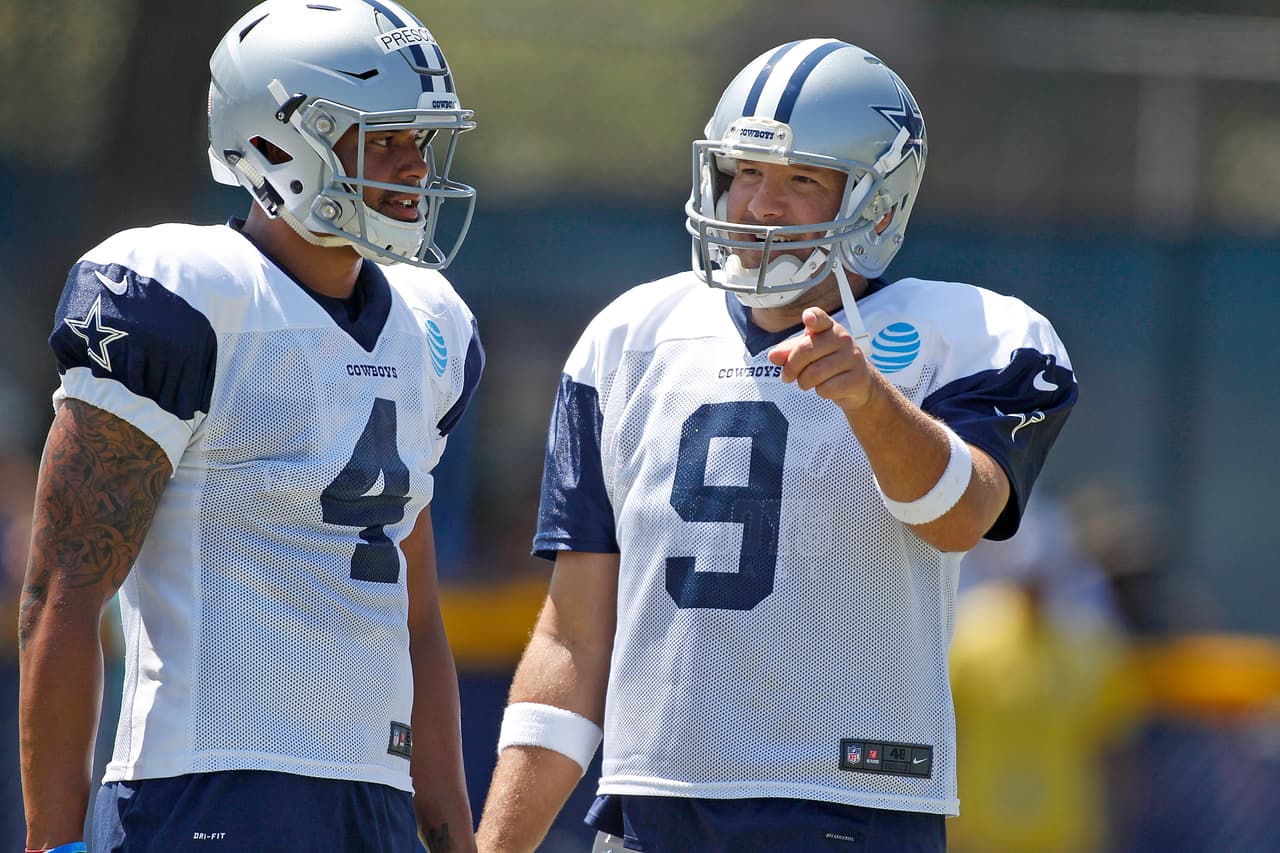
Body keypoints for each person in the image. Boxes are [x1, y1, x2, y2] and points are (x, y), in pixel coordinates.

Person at [476, 38, 1077, 853]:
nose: (759, 206)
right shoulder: (630, 338)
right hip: (651, 809)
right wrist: (499, 842)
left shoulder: (971, 334)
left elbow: (960, 515)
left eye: (801, 180)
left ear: (878, 202)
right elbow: (573, 633)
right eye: (746, 173)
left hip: (846, 801)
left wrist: (869, 400)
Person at [18, 1, 484, 851]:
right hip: (202, 792)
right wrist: (55, 843)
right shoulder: (183, 296)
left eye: (419, 138)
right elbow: (63, 591)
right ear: (276, 142)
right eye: (384, 139)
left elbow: (415, 618)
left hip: (370, 801)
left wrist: (452, 828)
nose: (415, 167)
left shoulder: (432, 329)